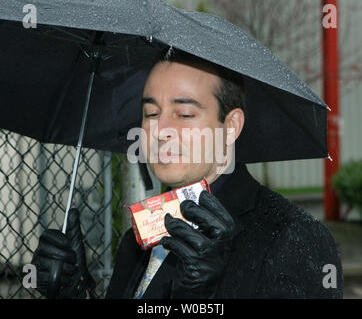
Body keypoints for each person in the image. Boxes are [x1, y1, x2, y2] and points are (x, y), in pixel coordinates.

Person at [32, 49, 343, 299]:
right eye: (151, 113)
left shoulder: (293, 237)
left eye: (184, 114)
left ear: (231, 126)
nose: (160, 130)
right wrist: (75, 291)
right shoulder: (137, 240)